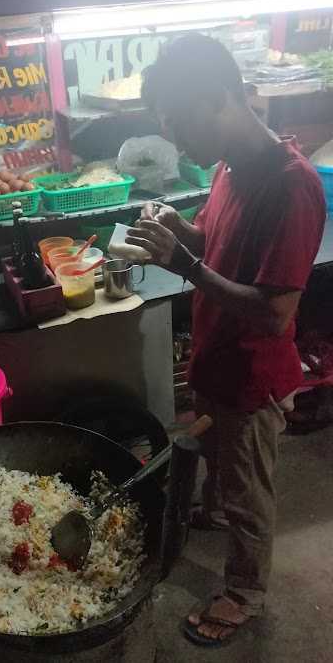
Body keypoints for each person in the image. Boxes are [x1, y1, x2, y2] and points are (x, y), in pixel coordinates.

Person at [127, 34, 326, 646]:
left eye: (180, 124)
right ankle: (214, 513)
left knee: (249, 492)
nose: (177, 142)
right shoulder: (228, 167)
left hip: (251, 374)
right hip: (216, 361)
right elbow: (213, 242)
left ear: (218, 100)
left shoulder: (292, 186)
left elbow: (273, 313)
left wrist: (184, 267)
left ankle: (245, 591)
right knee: (224, 471)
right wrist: (175, 227)